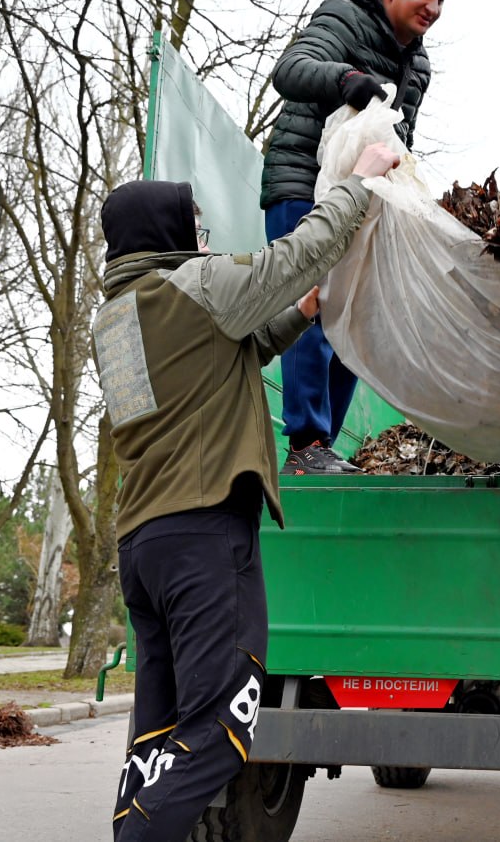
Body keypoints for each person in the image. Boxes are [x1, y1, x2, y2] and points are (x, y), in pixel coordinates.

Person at [95, 142, 400, 842]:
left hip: (144, 546)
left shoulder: (116, 317)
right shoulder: (195, 282)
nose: (203, 239)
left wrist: (297, 315)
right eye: (193, 227)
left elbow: (226, 354)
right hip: (205, 536)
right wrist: (356, 185)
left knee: (159, 737)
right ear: (166, 235)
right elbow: (288, 256)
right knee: (219, 732)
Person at [259, 0, 455, 475]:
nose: (432, 8)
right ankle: (305, 444)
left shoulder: (418, 66)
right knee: (311, 304)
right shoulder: (345, 15)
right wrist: (348, 80)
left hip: (362, 200)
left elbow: (398, 141)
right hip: (301, 182)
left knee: (355, 320)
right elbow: (290, 70)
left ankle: (325, 451)